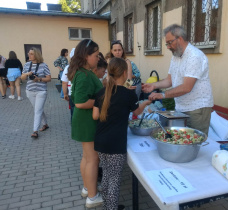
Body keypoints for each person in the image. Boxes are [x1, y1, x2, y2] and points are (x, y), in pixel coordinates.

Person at [93, 57, 151, 210]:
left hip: (99, 142)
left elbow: (95, 116)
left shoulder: (101, 92)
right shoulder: (127, 94)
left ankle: (107, 206)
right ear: (125, 73)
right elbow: (137, 111)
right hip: (116, 145)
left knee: (106, 176)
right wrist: (145, 103)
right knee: (114, 181)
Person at [142, 24, 214, 135]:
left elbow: (186, 87)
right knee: (182, 139)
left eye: (169, 43)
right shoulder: (176, 56)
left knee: (195, 141)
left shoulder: (194, 56)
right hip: (181, 107)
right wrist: (154, 86)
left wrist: (163, 95)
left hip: (197, 109)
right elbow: (170, 80)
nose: (168, 47)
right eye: (167, 44)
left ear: (179, 39)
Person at [67, 39, 103, 208]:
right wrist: (102, 102)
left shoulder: (84, 72)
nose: (98, 58)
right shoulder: (84, 74)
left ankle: (88, 188)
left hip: (84, 120)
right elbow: (80, 102)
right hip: (86, 121)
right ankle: (92, 197)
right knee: (93, 159)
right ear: (86, 56)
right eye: (95, 55)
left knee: (87, 157)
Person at [21, 48, 51, 138]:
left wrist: (39, 79)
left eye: (31, 54)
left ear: (37, 55)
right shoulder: (26, 65)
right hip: (29, 91)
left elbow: (49, 78)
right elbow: (22, 78)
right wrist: (27, 74)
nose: (29, 55)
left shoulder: (44, 65)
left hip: (41, 91)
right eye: (29, 53)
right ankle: (45, 124)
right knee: (38, 109)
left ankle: (35, 131)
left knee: (37, 110)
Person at [61, 48, 75, 121]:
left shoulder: (68, 67)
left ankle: (74, 127)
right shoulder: (85, 67)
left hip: (71, 93)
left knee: (73, 111)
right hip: (83, 94)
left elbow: (64, 82)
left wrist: (65, 94)